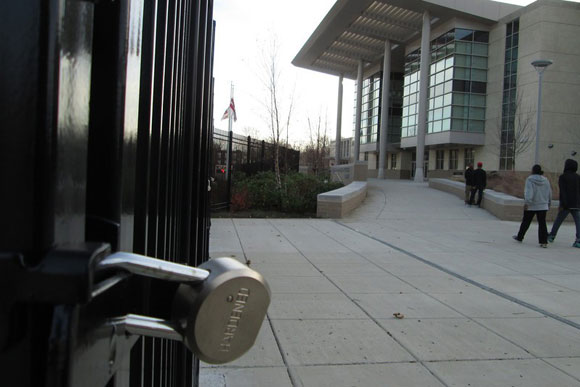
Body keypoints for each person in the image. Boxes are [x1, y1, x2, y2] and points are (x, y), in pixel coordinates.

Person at [513, 164, 552, 247]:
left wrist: (527, 202)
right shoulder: (546, 180)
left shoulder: (530, 179)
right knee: (542, 223)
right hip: (543, 205)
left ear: (533, 171)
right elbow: (549, 192)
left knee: (526, 221)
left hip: (532, 205)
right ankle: (543, 242)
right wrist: (548, 203)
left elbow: (529, 192)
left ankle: (520, 237)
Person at [547, 159, 580, 248]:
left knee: (559, 220)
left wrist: (562, 204)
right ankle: (578, 240)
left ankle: (552, 236)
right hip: (576, 204)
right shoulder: (578, 177)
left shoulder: (563, 177)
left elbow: (563, 192)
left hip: (566, 204)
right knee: (578, 222)